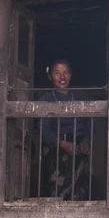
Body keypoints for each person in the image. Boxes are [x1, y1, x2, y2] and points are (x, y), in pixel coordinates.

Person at [39, 59, 91, 200]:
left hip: (79, 148)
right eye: (57, 73)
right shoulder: (46, 99)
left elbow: (88, 123)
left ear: (71, 75)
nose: (62, 77)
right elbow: (43, 130)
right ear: (50, 76)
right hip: (56, 150)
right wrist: (63, 144)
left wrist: (86, 140)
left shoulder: (80, 97)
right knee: (56, 192)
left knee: (80, 192)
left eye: (66, 72)